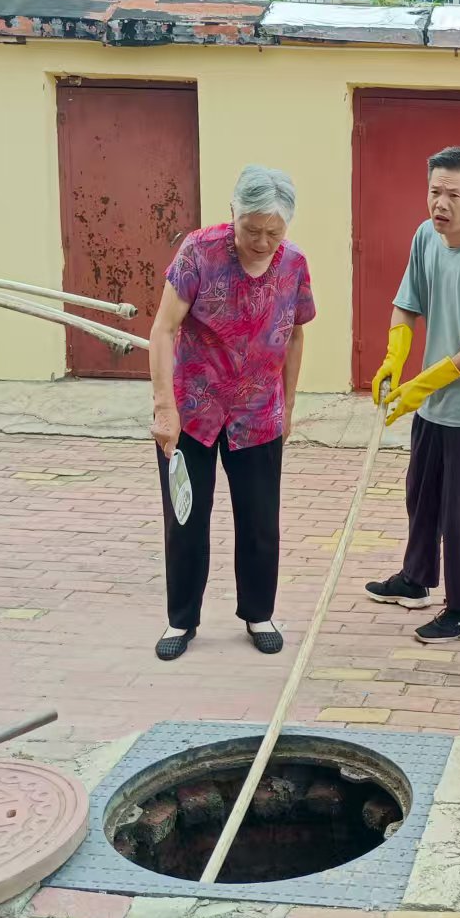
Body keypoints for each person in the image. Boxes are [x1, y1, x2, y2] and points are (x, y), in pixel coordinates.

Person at [149, 165, 314, 663]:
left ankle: (259, 614)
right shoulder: (198, 252)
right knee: (185, 517)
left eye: (273, 232)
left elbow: (295, 335)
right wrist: (164, 407)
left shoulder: (294, 264)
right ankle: (181, 619)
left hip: (258, 411)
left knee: (261, 519)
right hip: (193, 409)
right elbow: (163, 330)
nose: (261, 242)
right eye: (251, 229)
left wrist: (289, 404)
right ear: (233, 215)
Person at [364, 146, 460, 644]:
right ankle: (416, 579)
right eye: (434, 191)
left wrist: (422, 384)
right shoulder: (426, 237)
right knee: (421, 495)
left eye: (453, 194)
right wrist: (394, 358)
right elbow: (407, 304)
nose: (440, 204)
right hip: (430, 406)